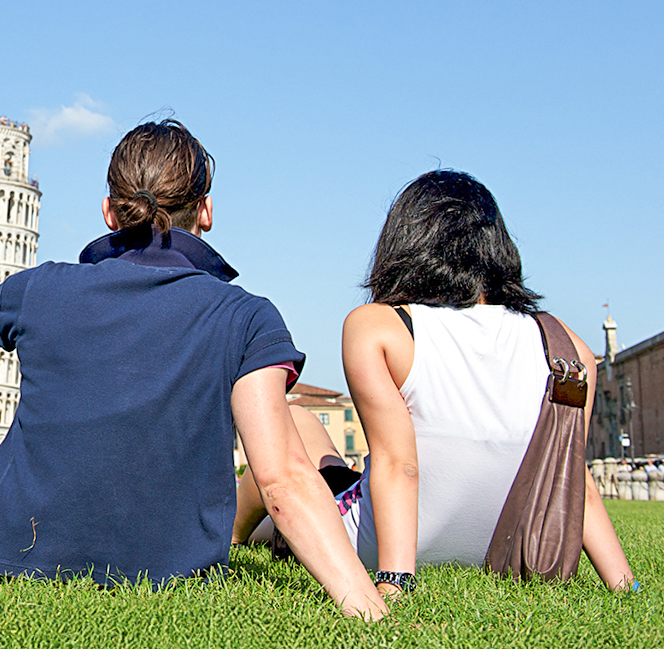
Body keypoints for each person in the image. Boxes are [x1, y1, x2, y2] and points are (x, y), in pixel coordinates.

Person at [0, 120, 387, 618]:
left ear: (109, 211)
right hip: (173, 568)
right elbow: (283, 480)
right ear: (206, 211)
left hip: (8, 550)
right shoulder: (245, 317)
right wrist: (366, 606)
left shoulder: (41, 289)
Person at [234, 170, 635, 595]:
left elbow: (399, 465)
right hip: (509, 544)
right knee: (327, 460)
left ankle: (237, 536)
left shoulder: (381, 327)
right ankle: (272, 521)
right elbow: (573, 478)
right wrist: (625, 586)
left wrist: (394, 581)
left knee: (295, 423)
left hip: (378, 543)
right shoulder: (568, 345)